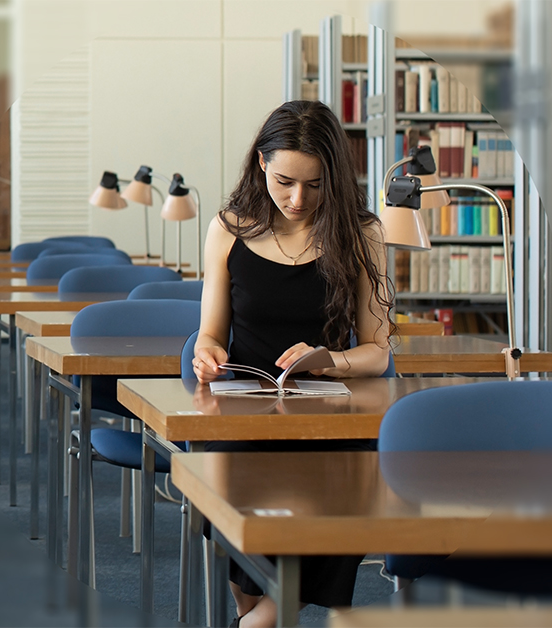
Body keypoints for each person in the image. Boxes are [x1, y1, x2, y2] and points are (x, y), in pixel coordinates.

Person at [191, 99, 394, 628]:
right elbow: (212, 333)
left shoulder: (362, 233)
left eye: (316, 184)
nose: (297, 198)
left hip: (332, 419)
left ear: (336, 179)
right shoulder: (228, 229)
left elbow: (378, 351)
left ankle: (261, 619)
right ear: (261, 163)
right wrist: (207, 351)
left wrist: (332, 362)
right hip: (244, 415)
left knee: (340, 492)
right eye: (284, 181)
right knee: (241, 545)